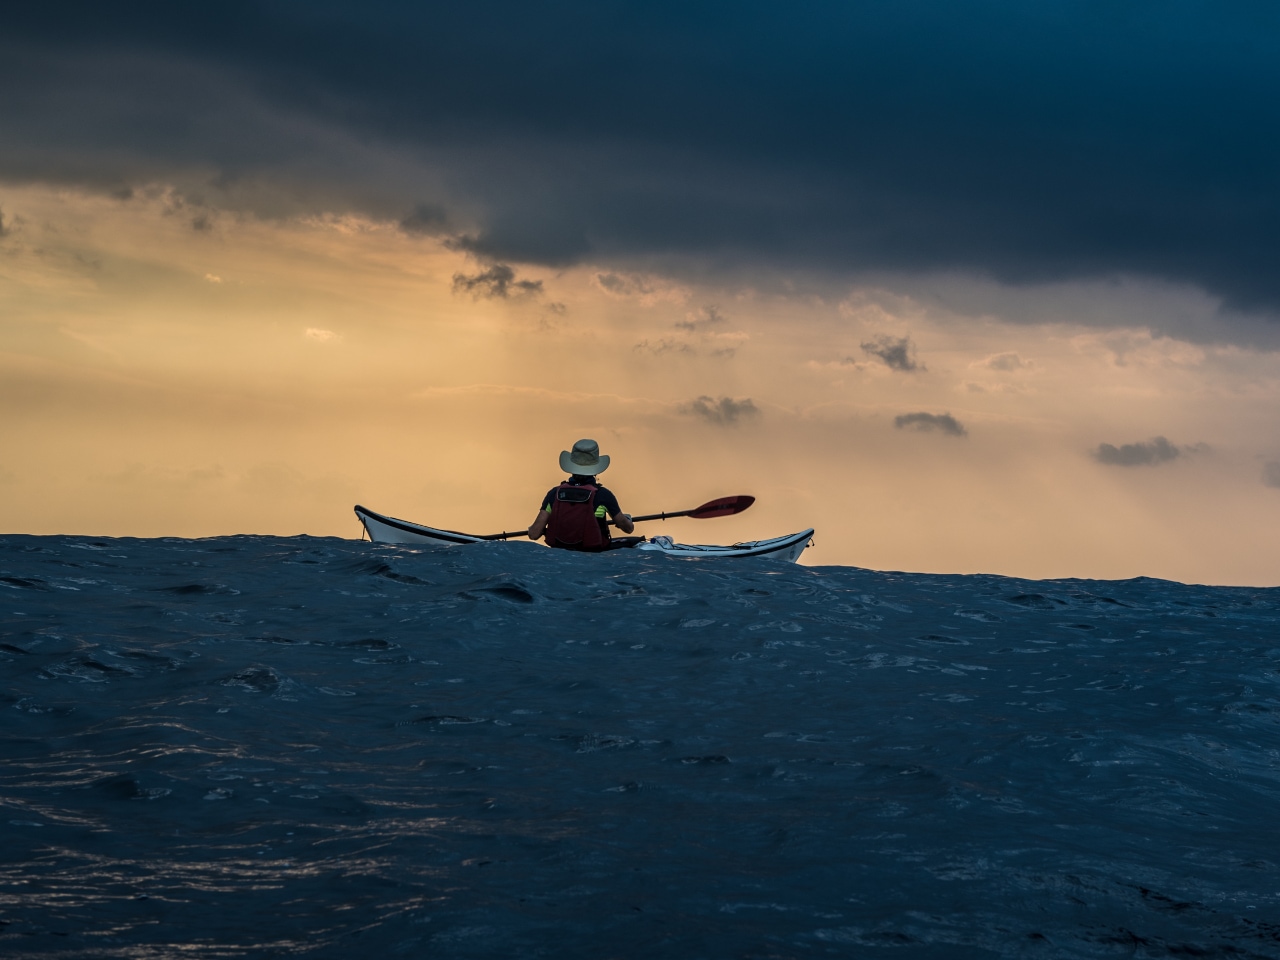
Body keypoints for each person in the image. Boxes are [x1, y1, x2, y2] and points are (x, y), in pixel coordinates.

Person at [528, 439, 635, 551]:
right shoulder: (603, 495)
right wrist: (628, 521)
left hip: (559, 557)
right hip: (592, 555)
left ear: (572, 466)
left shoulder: (554, 493)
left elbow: (534, 534)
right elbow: (627, 528)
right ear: (596, 470)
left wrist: (535, 529)